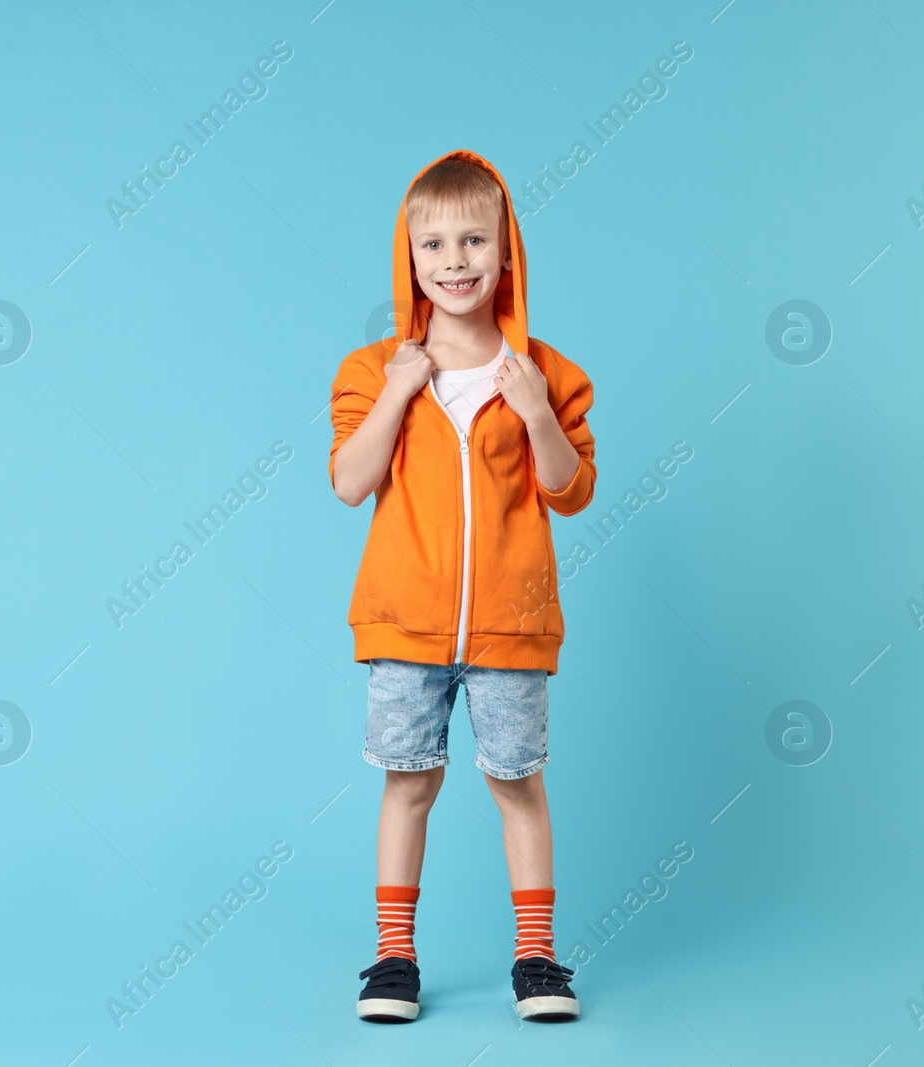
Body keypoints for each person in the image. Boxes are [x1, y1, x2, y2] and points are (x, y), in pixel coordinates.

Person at [328, 149, 598, 1024]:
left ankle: (537, 958)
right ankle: (393, 958)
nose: (455, 261)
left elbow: (571, 489)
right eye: (434, 243)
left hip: (511, 629)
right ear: (409, 259)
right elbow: (348, 479)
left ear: (506, 249)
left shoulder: (546, 374)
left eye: (474, 239)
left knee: (518, 782)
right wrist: (399, 390)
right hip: (404, 627)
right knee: (408, 782)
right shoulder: (373, 370)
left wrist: (534, 412)